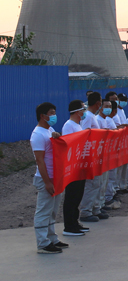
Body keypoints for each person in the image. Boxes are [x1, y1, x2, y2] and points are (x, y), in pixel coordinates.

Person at [30, 102, 68, 254]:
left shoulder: (49, 130)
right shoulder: (37, 135)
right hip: (46, 179)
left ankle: (52, 238)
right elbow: (40, 161)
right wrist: (47, 182)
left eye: (54, 112)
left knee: (52, 211)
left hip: (55, 177)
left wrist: (57, 137)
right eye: (51, 113)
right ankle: (42, 243)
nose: (54, 116)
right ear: (42, 116)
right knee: (43, 211)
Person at [79, 92, 109, 222]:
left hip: (97, 154)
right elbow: (85, 135)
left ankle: (96, 208)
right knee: (91, 184)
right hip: (91, 155)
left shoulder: (92, 117)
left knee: (98, 183)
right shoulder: (88, 117)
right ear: (98, 103)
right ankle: (86, 211)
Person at [61, 100, 89, 237]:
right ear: (78, 111)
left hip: (80, 165)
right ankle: (69, 226)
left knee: (78, 195)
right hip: (73, 166)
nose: (84, 112)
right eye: (83, 109)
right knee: (71, 196)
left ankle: (75, 221)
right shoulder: (69, 125)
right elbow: (69, 145)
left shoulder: (78, 125)